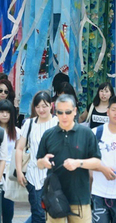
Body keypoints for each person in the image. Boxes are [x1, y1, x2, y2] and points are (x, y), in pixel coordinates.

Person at [35, 95, 102, 223]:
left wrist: (79, 163)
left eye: (68, 112)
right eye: (60, 112)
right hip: (54, 196)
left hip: (79, 197)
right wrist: (43, 162)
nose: (64, 116)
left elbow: (97, 161)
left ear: (75, 111)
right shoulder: (48, 135)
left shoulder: (86, 133)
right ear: (56, 112)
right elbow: (39, 162)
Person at [15, 91, 58, 223]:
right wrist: (18, 171)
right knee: (38, 212)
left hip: (54, 175)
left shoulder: (58, 122)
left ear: (51, 105)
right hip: (34, 174)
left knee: (53, 213)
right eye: (38, 106)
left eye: (44, 106)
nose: (41, 110)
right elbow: (20, 148)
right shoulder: (29, 123)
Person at [0, 99, 21, 223]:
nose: (4, 115)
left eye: (7, 112)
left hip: (9, 173)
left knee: (8, 207)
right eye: (1, 112)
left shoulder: (17, 132)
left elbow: (20, 152)